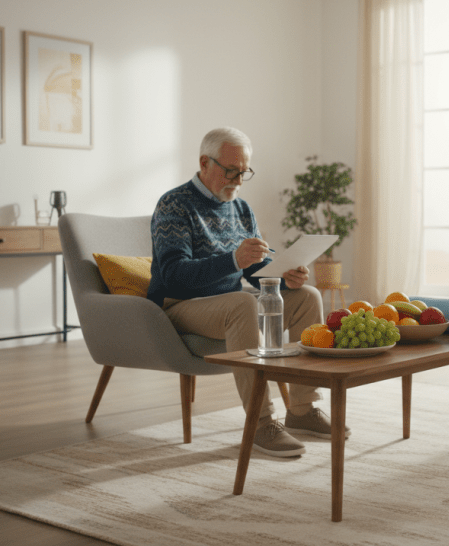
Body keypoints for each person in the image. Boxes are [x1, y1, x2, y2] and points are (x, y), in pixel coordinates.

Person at [147, 127, 347, 457]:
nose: (238, 181)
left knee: (308, 296)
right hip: (180, 303)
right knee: (241, 303)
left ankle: (302, 410)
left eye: (244, 172)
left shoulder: (241, 209)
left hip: (226, 300)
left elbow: (254, 272)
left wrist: (286, 279)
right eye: (231, 171)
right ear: (204, 162)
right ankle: (261, 421)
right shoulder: (174, 205)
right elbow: (173, 276)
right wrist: (232, 260)